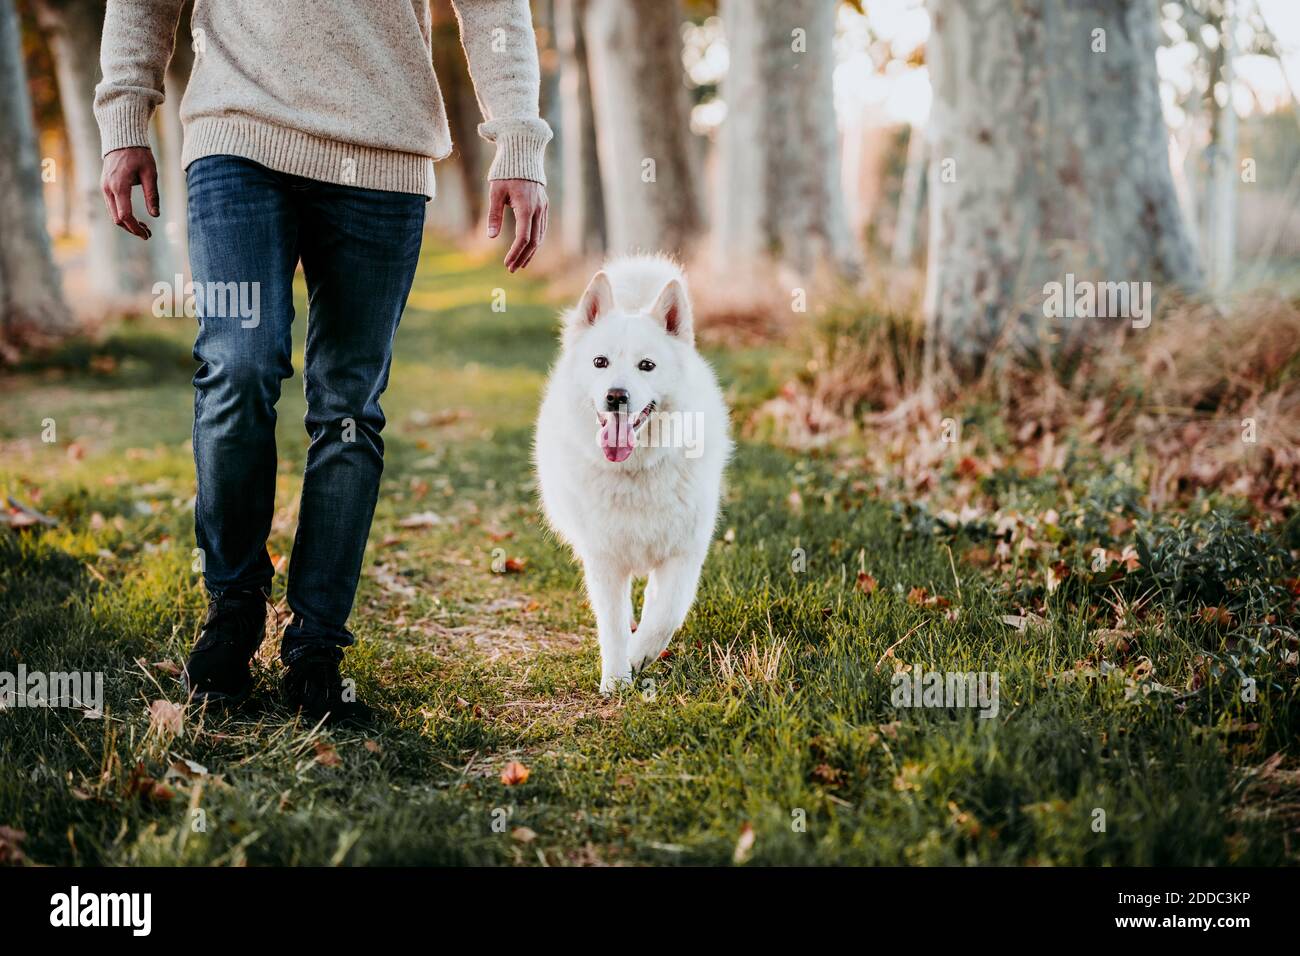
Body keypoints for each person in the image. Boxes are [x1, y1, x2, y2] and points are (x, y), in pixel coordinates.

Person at [94, 0, 550, 722]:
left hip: (383, 152)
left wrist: (519, 139)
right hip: (237, 131)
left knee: (347, 405)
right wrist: (125, 120)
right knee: (238, 365)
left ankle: (316, 647)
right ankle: (234, 606)